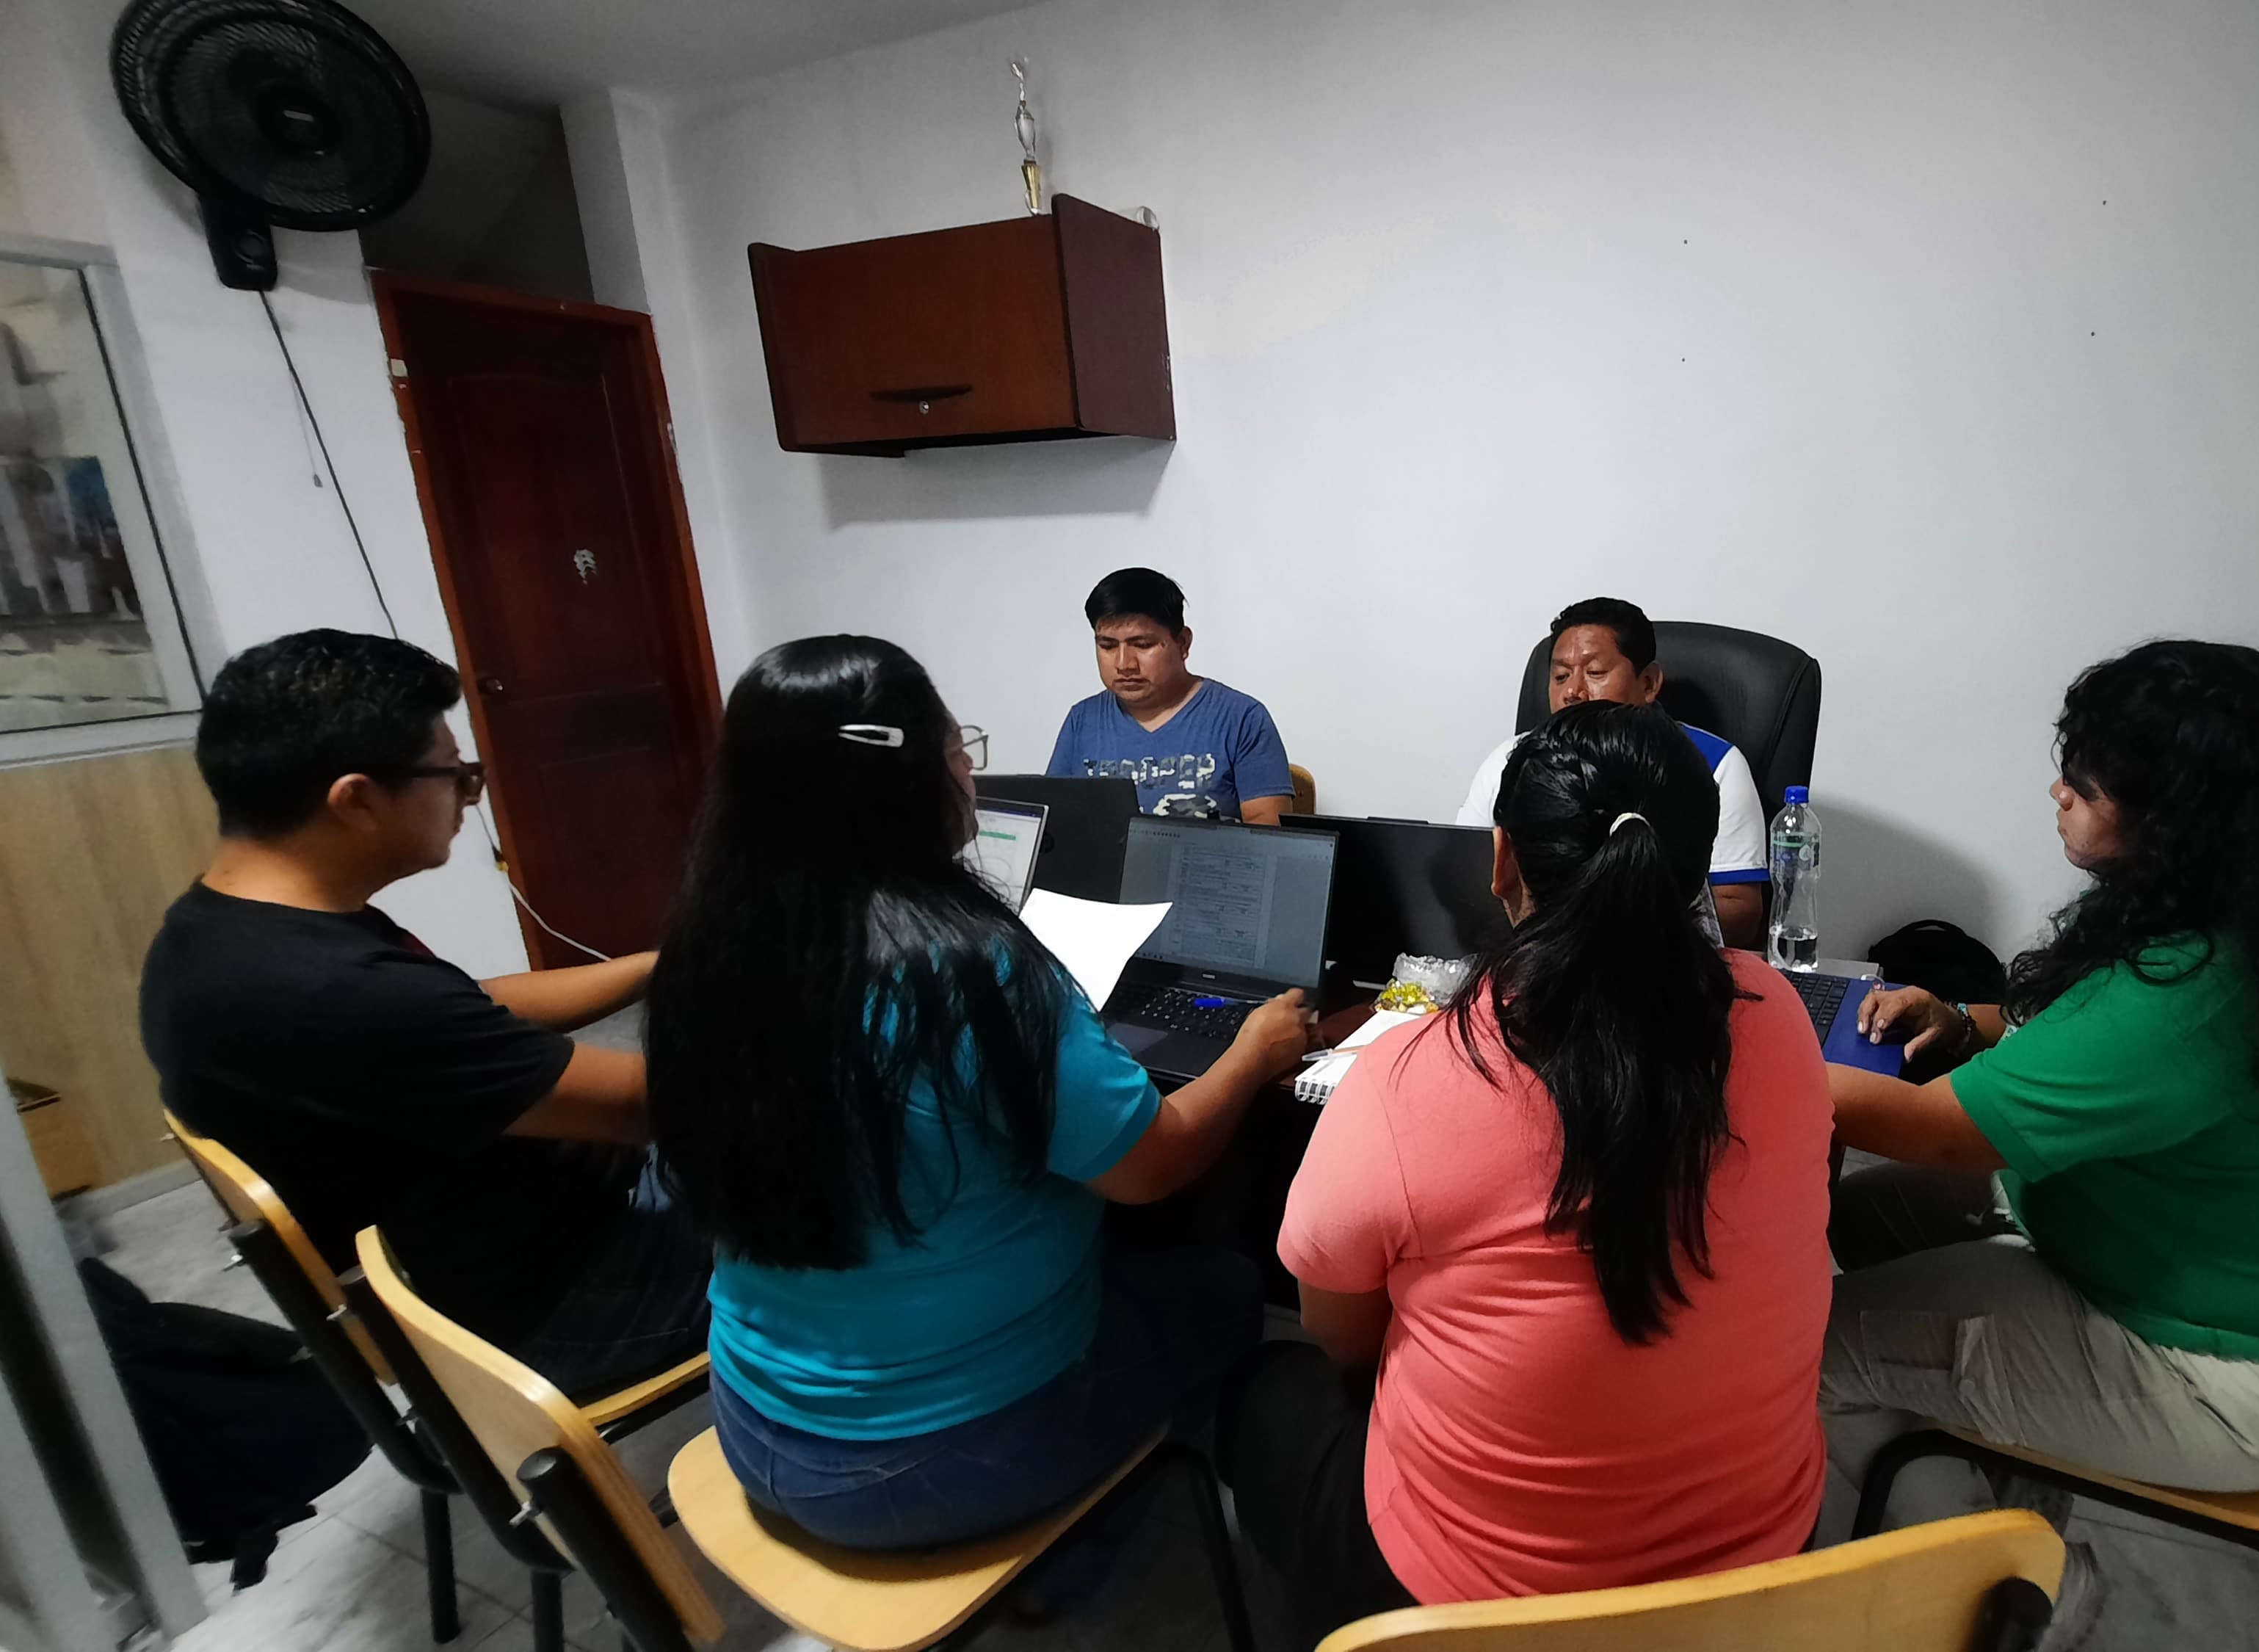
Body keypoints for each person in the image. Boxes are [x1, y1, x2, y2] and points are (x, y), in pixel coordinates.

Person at [648, 635, 1314, 1552]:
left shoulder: (707, 946)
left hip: (753, 1416)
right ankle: (1073, 1559)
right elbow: (1151, 1166)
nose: (969, 770)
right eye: (957, 747)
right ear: (904, 777)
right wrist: (1251, 1052)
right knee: (1228, 1286)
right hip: (931, 1458)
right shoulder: (969, 971)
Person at [1819, 640, 2259, 1642]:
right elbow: (2074, 1034)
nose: (2059, 791)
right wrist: (1964, 1023)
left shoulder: (2198, 989)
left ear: (2176, 820)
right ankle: (1997, 1483)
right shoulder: (2243, 917)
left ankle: (2022, 1595)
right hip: (2147, 1266)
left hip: (2221, 1376)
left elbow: (1944, 1134)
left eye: (2087, 784)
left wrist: (1747, 1061)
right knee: (1834, 1221)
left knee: (1808, 1355)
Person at [1226, 702, 1832, 1639]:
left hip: (1480, 1606)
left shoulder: (1412, 1075)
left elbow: (1341, 1336)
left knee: (1263, 1392)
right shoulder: (1781, 1018)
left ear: (1502, 860)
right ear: (1693, 863)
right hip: (1760, 1579)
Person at [139, 629, 704, 1400]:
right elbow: (663, 1109)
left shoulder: (217, 932)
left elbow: (471, 1008)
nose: (471, 799)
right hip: (561, 1306)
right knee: (853, 1175)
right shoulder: (338, 994)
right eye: (457, 777)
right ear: (358, 800)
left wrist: (657, 965)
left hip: (504, 1258)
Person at [1454, 598, 1768, 948]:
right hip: (1530, 963)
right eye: (1560, 676)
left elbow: (1740, 910)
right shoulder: (1510, 759)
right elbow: (1460, 876)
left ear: (1648, 683)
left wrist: (1610, 934)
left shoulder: (1714, 764)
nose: (1572, 692)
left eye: (1595, 673)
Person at [1046, 568, 1294, 822]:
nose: (1124, 664)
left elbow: (1268, 829)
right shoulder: (1082, 720)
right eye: (1107, 646)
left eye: (1143, 645)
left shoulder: (1241, 718)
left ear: (1183, 643)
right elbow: (1054, 821)